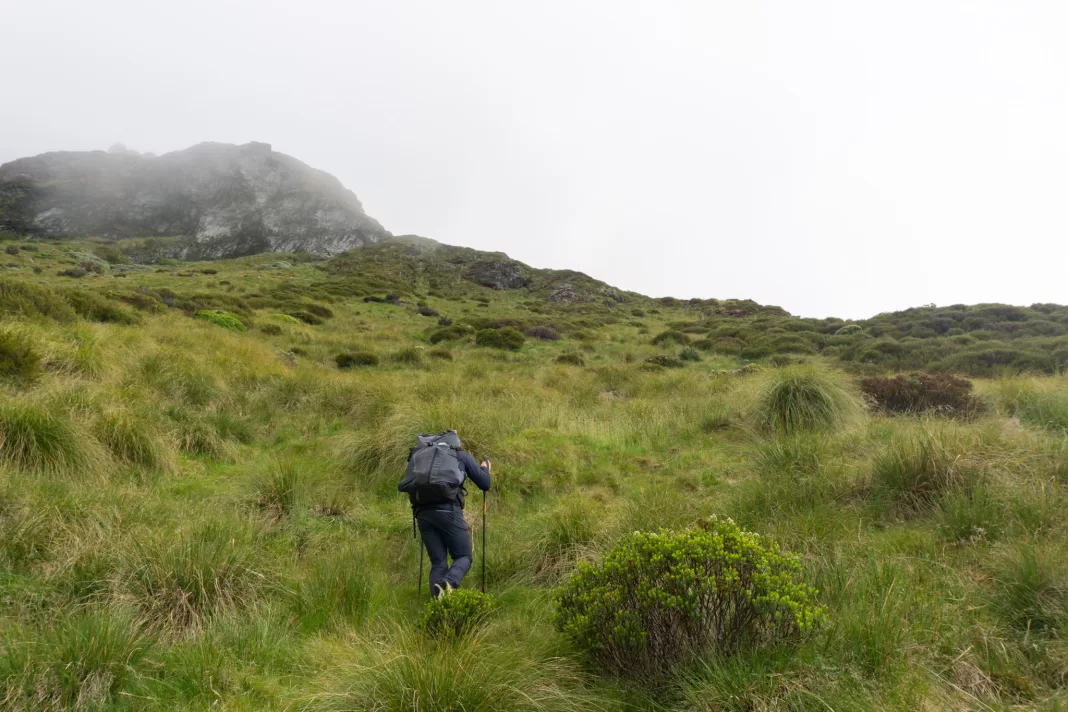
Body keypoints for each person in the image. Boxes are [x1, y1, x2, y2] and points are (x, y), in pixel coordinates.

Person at [414, 446, 491, 598]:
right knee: (464, 556)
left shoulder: (423, 458)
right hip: (448, 511)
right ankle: (448, 583)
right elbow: (485, 484)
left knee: (438, 563)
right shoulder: (460, 455)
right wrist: (485, 468)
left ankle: (439, 608)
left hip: (422, 513)